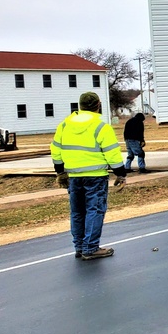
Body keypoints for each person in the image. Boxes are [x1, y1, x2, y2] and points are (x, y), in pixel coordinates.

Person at [50, 91, 126, 260]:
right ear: (98, 105)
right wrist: (121, 175)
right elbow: (112, 154)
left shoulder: (64, 125)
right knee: (95, 210)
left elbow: (55, 150)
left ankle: (80, 246)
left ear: (80, 106)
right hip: (95, 176)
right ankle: (90, 248)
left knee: (77, 212)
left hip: (73, 177)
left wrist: (60, 172)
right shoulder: (101, 127)